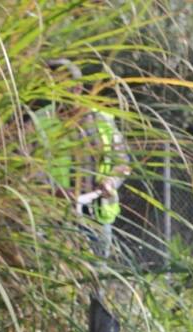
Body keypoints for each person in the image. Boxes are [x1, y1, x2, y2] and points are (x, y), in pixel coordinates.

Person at [27, 58, 130, 259]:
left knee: (95, 280)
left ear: (78, 88)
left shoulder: (103, 120)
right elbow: (26, 167)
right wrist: (52, 190)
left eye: (65, 86)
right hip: (53, 217)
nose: (60, 92)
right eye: (55, 86)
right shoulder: (38, 123)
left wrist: (110, 182)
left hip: (96, 216)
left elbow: (122, 163)